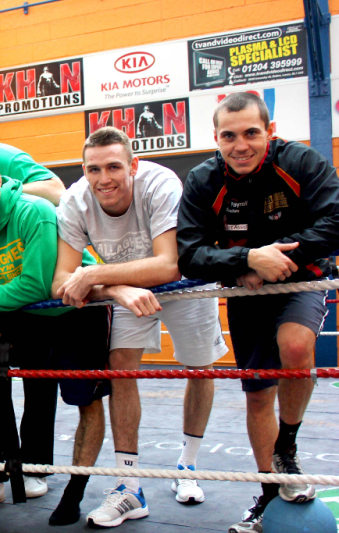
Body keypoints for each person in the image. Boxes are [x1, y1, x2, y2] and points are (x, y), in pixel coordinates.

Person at [177, 92, 339, 533]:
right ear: (216, 138)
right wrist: (248, 260)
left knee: (296, 345)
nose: (240, 145)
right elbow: (189, 254)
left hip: (302, 280)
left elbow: (336, 222)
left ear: (269, 131)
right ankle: (269, 495)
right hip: (247, 292)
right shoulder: (205, 180)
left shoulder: (301, 162)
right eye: (229, 136)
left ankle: (287, 446)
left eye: (251, 133)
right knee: (257, 394)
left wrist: (275, 263)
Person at [55, 127, 228, 528]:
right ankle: (130, 487)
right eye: (93, 169)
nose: (104, 178)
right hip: (126, 288)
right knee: (120, 369)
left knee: (199, 368)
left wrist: (97, 273)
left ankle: (187, 465)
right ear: (84, 170)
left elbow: (169, 263)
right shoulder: (75, 200)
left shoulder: (161, 184)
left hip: (184, 283)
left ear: (134, 166)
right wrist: (116, 287)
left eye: (114, 166)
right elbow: (61, 280)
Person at [0, 147, 110, 513]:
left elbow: (37, 285)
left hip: (74, 310)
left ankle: (72, 490)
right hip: (23, 312)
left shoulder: (34, 211)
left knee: (82, 399)